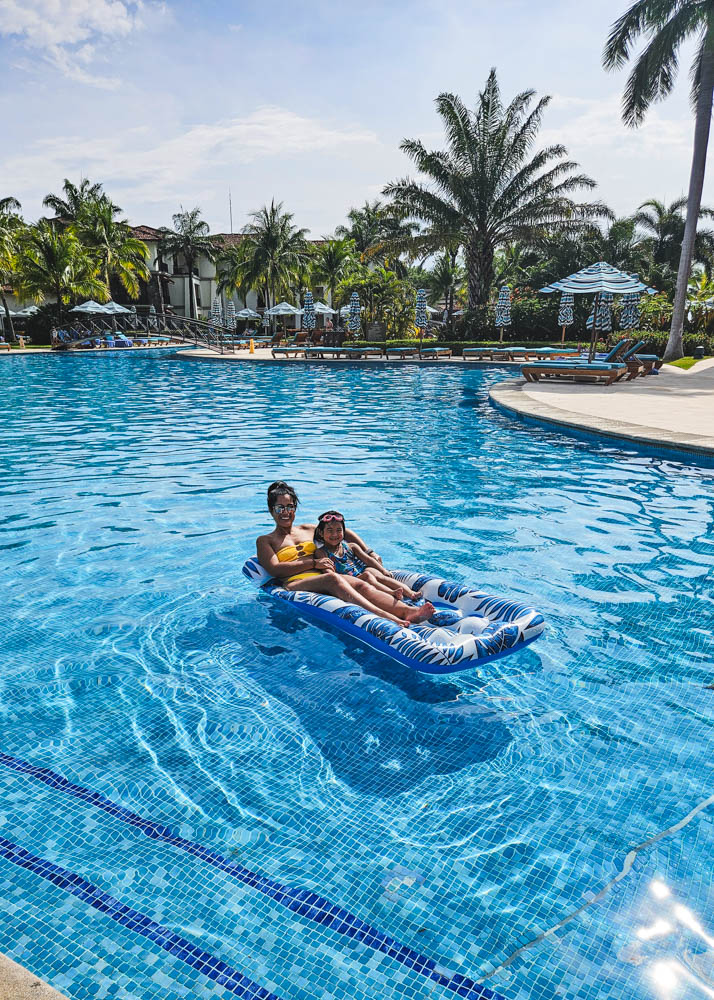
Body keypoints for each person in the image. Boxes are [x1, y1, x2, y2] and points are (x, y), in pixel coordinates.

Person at [255, 481, 434, 627]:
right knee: (334, 579)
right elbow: (275, 570)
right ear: (271, 510)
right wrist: (314, 564)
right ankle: (387, 617)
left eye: (290, 507)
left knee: (362, 584)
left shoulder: (308, 529)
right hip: (296, 583)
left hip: (324, 576)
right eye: (280, 508)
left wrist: (368, 551)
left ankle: (408, 612)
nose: (286, 513)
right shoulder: (265, 540)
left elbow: (345, 533)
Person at [313, 511, 420, 601]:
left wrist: (383, 570)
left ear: (344, 532)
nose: (335, 534)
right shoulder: (321, 552)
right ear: (321, 533)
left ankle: (410, 593)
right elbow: (329, 574)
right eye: (330, 530)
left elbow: (368, 560)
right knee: (368, 576)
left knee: (375, 573)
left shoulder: (351, 546)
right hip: (349, 580)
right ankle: (391, 593)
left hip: (361, 571)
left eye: (339, 530)